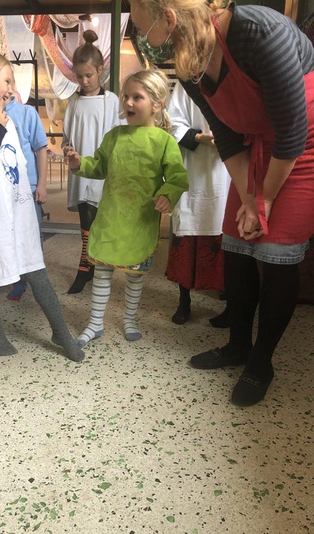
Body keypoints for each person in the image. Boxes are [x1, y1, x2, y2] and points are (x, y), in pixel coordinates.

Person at [130, 0, 314, 406]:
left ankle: (261, 362)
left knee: (276, 252)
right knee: (236, 245)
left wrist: (264, 199)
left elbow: (292, 133)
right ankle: (238, 346)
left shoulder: (263, 34)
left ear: (169, 19)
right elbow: (227, 134)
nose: (139, 35)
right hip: (250, 142)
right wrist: (249, 199)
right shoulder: (190, 63)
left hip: (302, 145)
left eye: (140, 27)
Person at [0, 45, 84, 363]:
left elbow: (16, 166)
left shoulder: (6, 120)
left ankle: (60, 332)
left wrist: (32, 194)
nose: (12, 88)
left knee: (37, 272)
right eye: (7, 80)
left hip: (18, 214)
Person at [65, 69, 189, 348]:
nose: (128, 102)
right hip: (111, 217)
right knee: (102, 271)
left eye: (137, 97)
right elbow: (99, 166)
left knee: (135, 276)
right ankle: (95, 323)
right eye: (125, 97)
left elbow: (178, 178)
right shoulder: (114, 136)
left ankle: (130, 319)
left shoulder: (164, 141)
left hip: (141, 221)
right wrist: (80, 163)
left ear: (156, 104)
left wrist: (167, 195)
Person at [62, 30, 123, 294]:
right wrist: (67, 148)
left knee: (97, 218)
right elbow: (67, 135)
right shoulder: (74, 101)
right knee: (85, 217)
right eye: (79, 76)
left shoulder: (112, 101)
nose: (84, 81)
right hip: (79, 167)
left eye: (89, 75)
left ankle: (88, 266)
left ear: (100, 70)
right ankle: (87, 265)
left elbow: (119, 136)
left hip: (102, 169)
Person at [166, 81, 230, 326]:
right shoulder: (186, 83)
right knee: (188, 229)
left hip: (229, 169)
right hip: (194, 170)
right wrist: (200, 138)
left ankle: (232, 306)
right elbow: (172, 122)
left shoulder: (234, 78)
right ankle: (184, 302)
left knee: (229, 240)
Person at [5, 88, 49, 301]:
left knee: (32, 236)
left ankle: (38, 279)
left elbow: (41, 149)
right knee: (9, 235)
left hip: (29, 188)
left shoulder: (27, 113)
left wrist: (41, 184)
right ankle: (18, 280)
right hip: (3, 190)